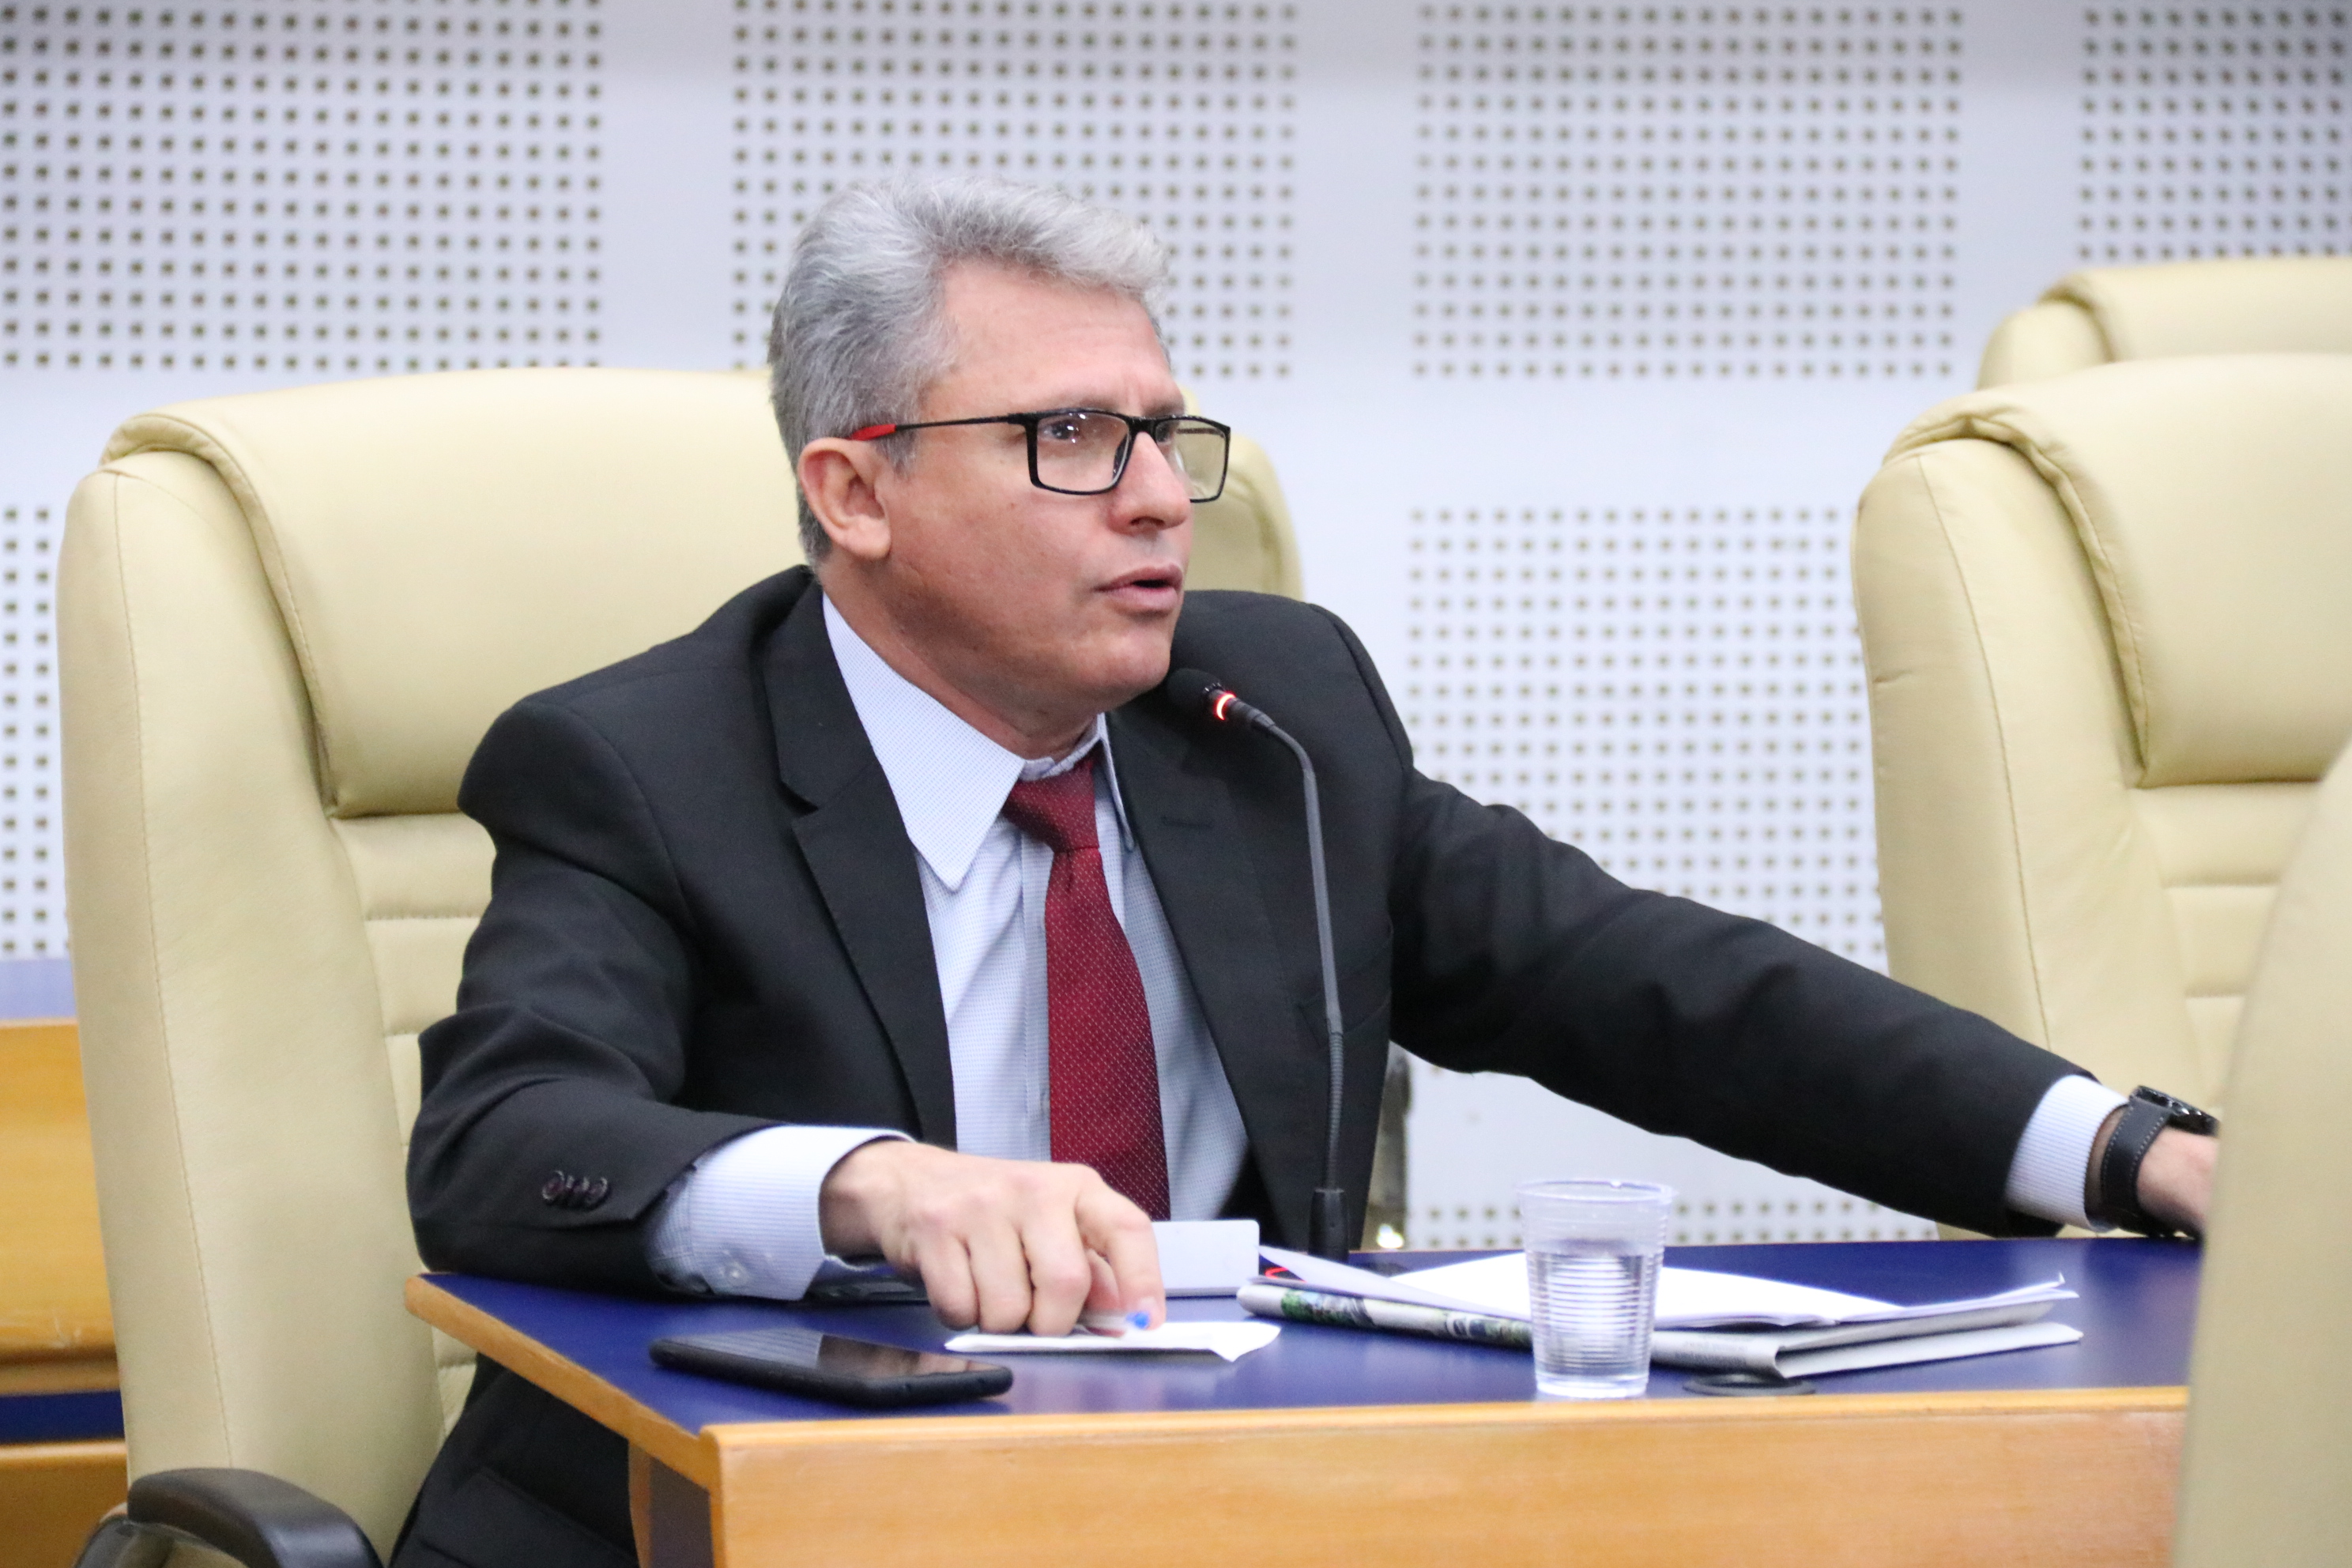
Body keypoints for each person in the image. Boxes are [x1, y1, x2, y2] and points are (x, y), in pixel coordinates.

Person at [390, 177, 2217, 1567]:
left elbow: (1662, 987)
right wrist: (867, 1184)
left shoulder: (1264, 718)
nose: (1160, 501)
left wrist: (2131, 1145)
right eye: (1070, 441)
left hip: (1225, 1507)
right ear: (855, 493)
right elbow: (503, 1135)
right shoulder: (644, 763)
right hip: (737, 1525)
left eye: (1165, 436)